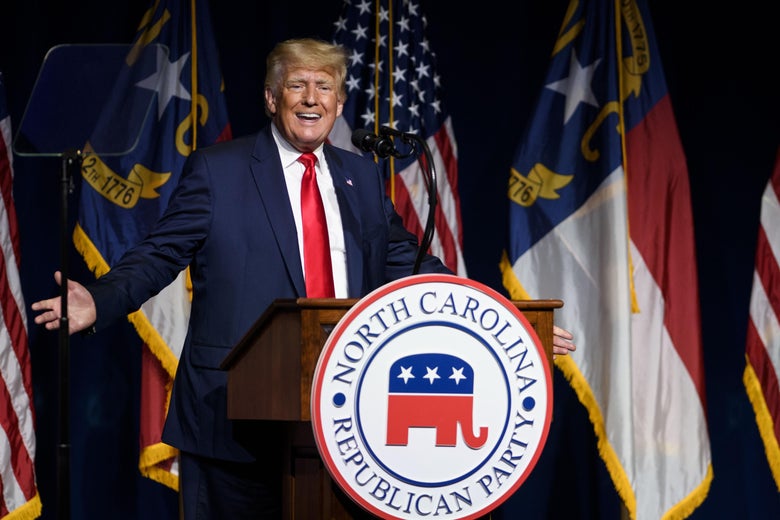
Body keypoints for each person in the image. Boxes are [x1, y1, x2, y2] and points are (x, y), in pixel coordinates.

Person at [33, 38, 576, 518]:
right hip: (234, 424)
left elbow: (408, 266)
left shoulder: (360, 175)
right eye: (297, 85)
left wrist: (502, 323)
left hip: (346, 426)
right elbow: (158, 254)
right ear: (272, 98)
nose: (312, 98)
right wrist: (100, 302)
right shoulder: (218, 170)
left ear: (340, 103)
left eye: (324, 86)